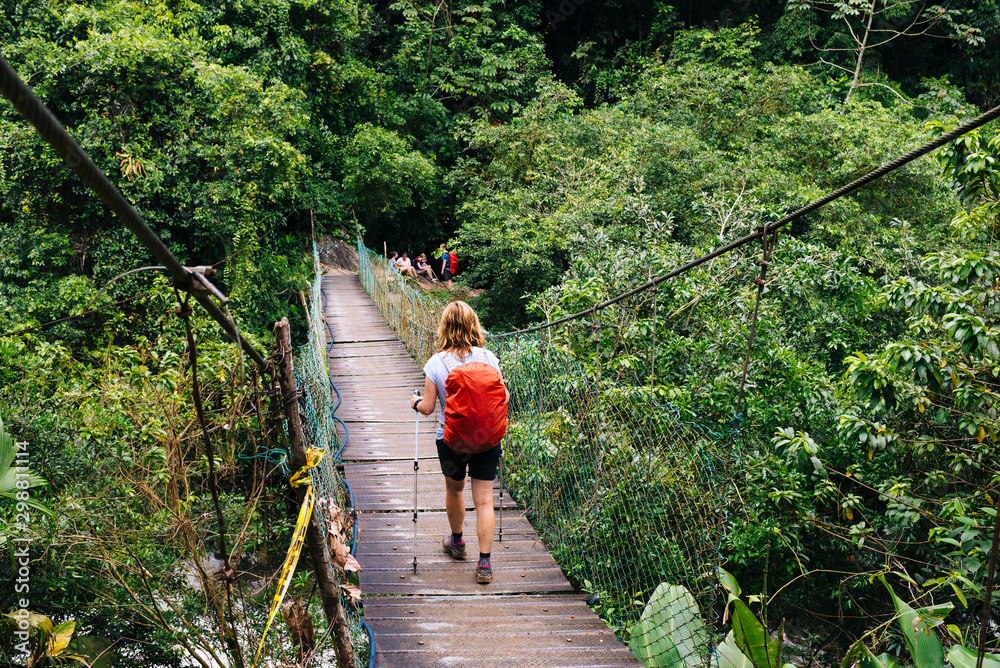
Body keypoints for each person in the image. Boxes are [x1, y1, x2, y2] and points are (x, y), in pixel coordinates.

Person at [411, 301, 509, 584]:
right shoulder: (489, 358)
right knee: (485, 500)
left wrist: (415, 402)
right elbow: (504, 397)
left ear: (445, 327)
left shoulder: (436, 363)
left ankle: (457, 543)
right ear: (473, 324)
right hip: (486, 439)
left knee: (455, 490)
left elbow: (428, 408)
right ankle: (485, 564)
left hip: (452, 442)